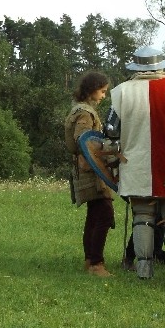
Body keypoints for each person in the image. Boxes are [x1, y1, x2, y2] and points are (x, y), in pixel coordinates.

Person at [105, 47, 165, 282]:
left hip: (137, 164)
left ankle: (144, 273)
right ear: (160, 66)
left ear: (136, 67)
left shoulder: (122, 91)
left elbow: (111, 129)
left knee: (142, 216)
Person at [64, 71, 114, 277]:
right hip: (89, 169)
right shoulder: (85, 113)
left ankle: (90, 261)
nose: (103, 95)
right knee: (104, 213)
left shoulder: (80, 109)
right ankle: (96, 263)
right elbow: (83, 140)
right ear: (92, 90)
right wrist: (106, 150)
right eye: (102, 91)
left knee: (95, 214)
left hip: (88, 168)